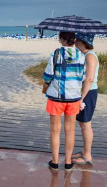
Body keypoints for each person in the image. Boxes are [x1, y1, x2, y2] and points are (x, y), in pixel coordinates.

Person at [43, 32, 86, 171]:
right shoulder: (81, 55)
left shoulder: (56, 53)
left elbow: (48, 75)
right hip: (73, 98)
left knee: (55, 131)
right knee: (70, 130)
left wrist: (46, 83)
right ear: (74, 40)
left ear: (62, 39)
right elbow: (83, 76)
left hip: (56, 97)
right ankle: (68, 162)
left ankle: (55, 162)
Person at [71, 33, 98, 165]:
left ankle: (87, 155)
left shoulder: (90, 57)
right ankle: (84, 151)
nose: (75, 42)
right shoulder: (85, 56)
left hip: (88, 92)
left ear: (83, 41)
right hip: (85, 92)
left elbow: (89, 79)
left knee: (86, 124)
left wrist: (81, 98)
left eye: (77, 40)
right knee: (82, 123)